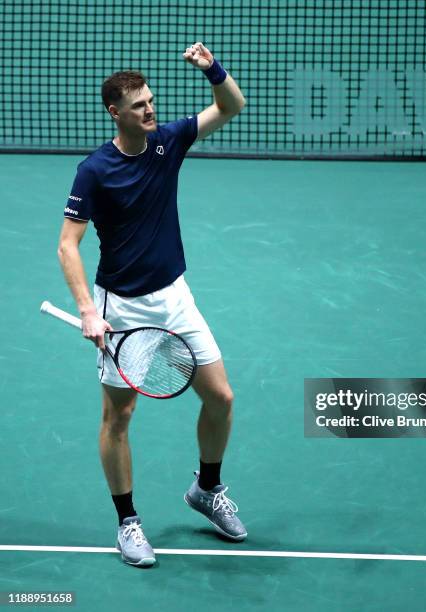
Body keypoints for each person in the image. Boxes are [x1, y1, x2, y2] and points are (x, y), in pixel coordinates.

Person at [57, 42, 247, 567]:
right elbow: (67, 245)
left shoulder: (168, 144)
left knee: (222, 398)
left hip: (175, 298)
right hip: (122, 308)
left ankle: (207, 489)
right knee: (119, 417)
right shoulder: (94, 171)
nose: (150, 109)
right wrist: (89, 310)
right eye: (139, 104)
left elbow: (231, 107)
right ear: (114, 112)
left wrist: (213, 69)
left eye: (151, 101)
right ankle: (128, 522)